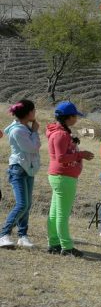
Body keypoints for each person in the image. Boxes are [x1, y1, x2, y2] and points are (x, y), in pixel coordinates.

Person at [46, 101, 94, 257]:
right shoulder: (60, 134)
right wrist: (81, 154)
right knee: (62, 214)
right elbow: (61, 158)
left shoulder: (62, 132)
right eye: (75, 116)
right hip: (63, 177)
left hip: (61, 177)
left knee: (54, 213)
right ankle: (66, 247)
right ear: (69, 117)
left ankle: (53, 243)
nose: (76, 119)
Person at [0, 100, 41, 249]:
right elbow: (33, 147)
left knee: (27, 204)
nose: (35, 112)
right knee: (22, 204)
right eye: (34, 110)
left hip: (27, 168)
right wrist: (35, 132)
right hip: (18, 169)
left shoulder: (24, 127)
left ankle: (22, 236)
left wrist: (33, 130)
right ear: (28, 113)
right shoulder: (18, 130)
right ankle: (3, 234)